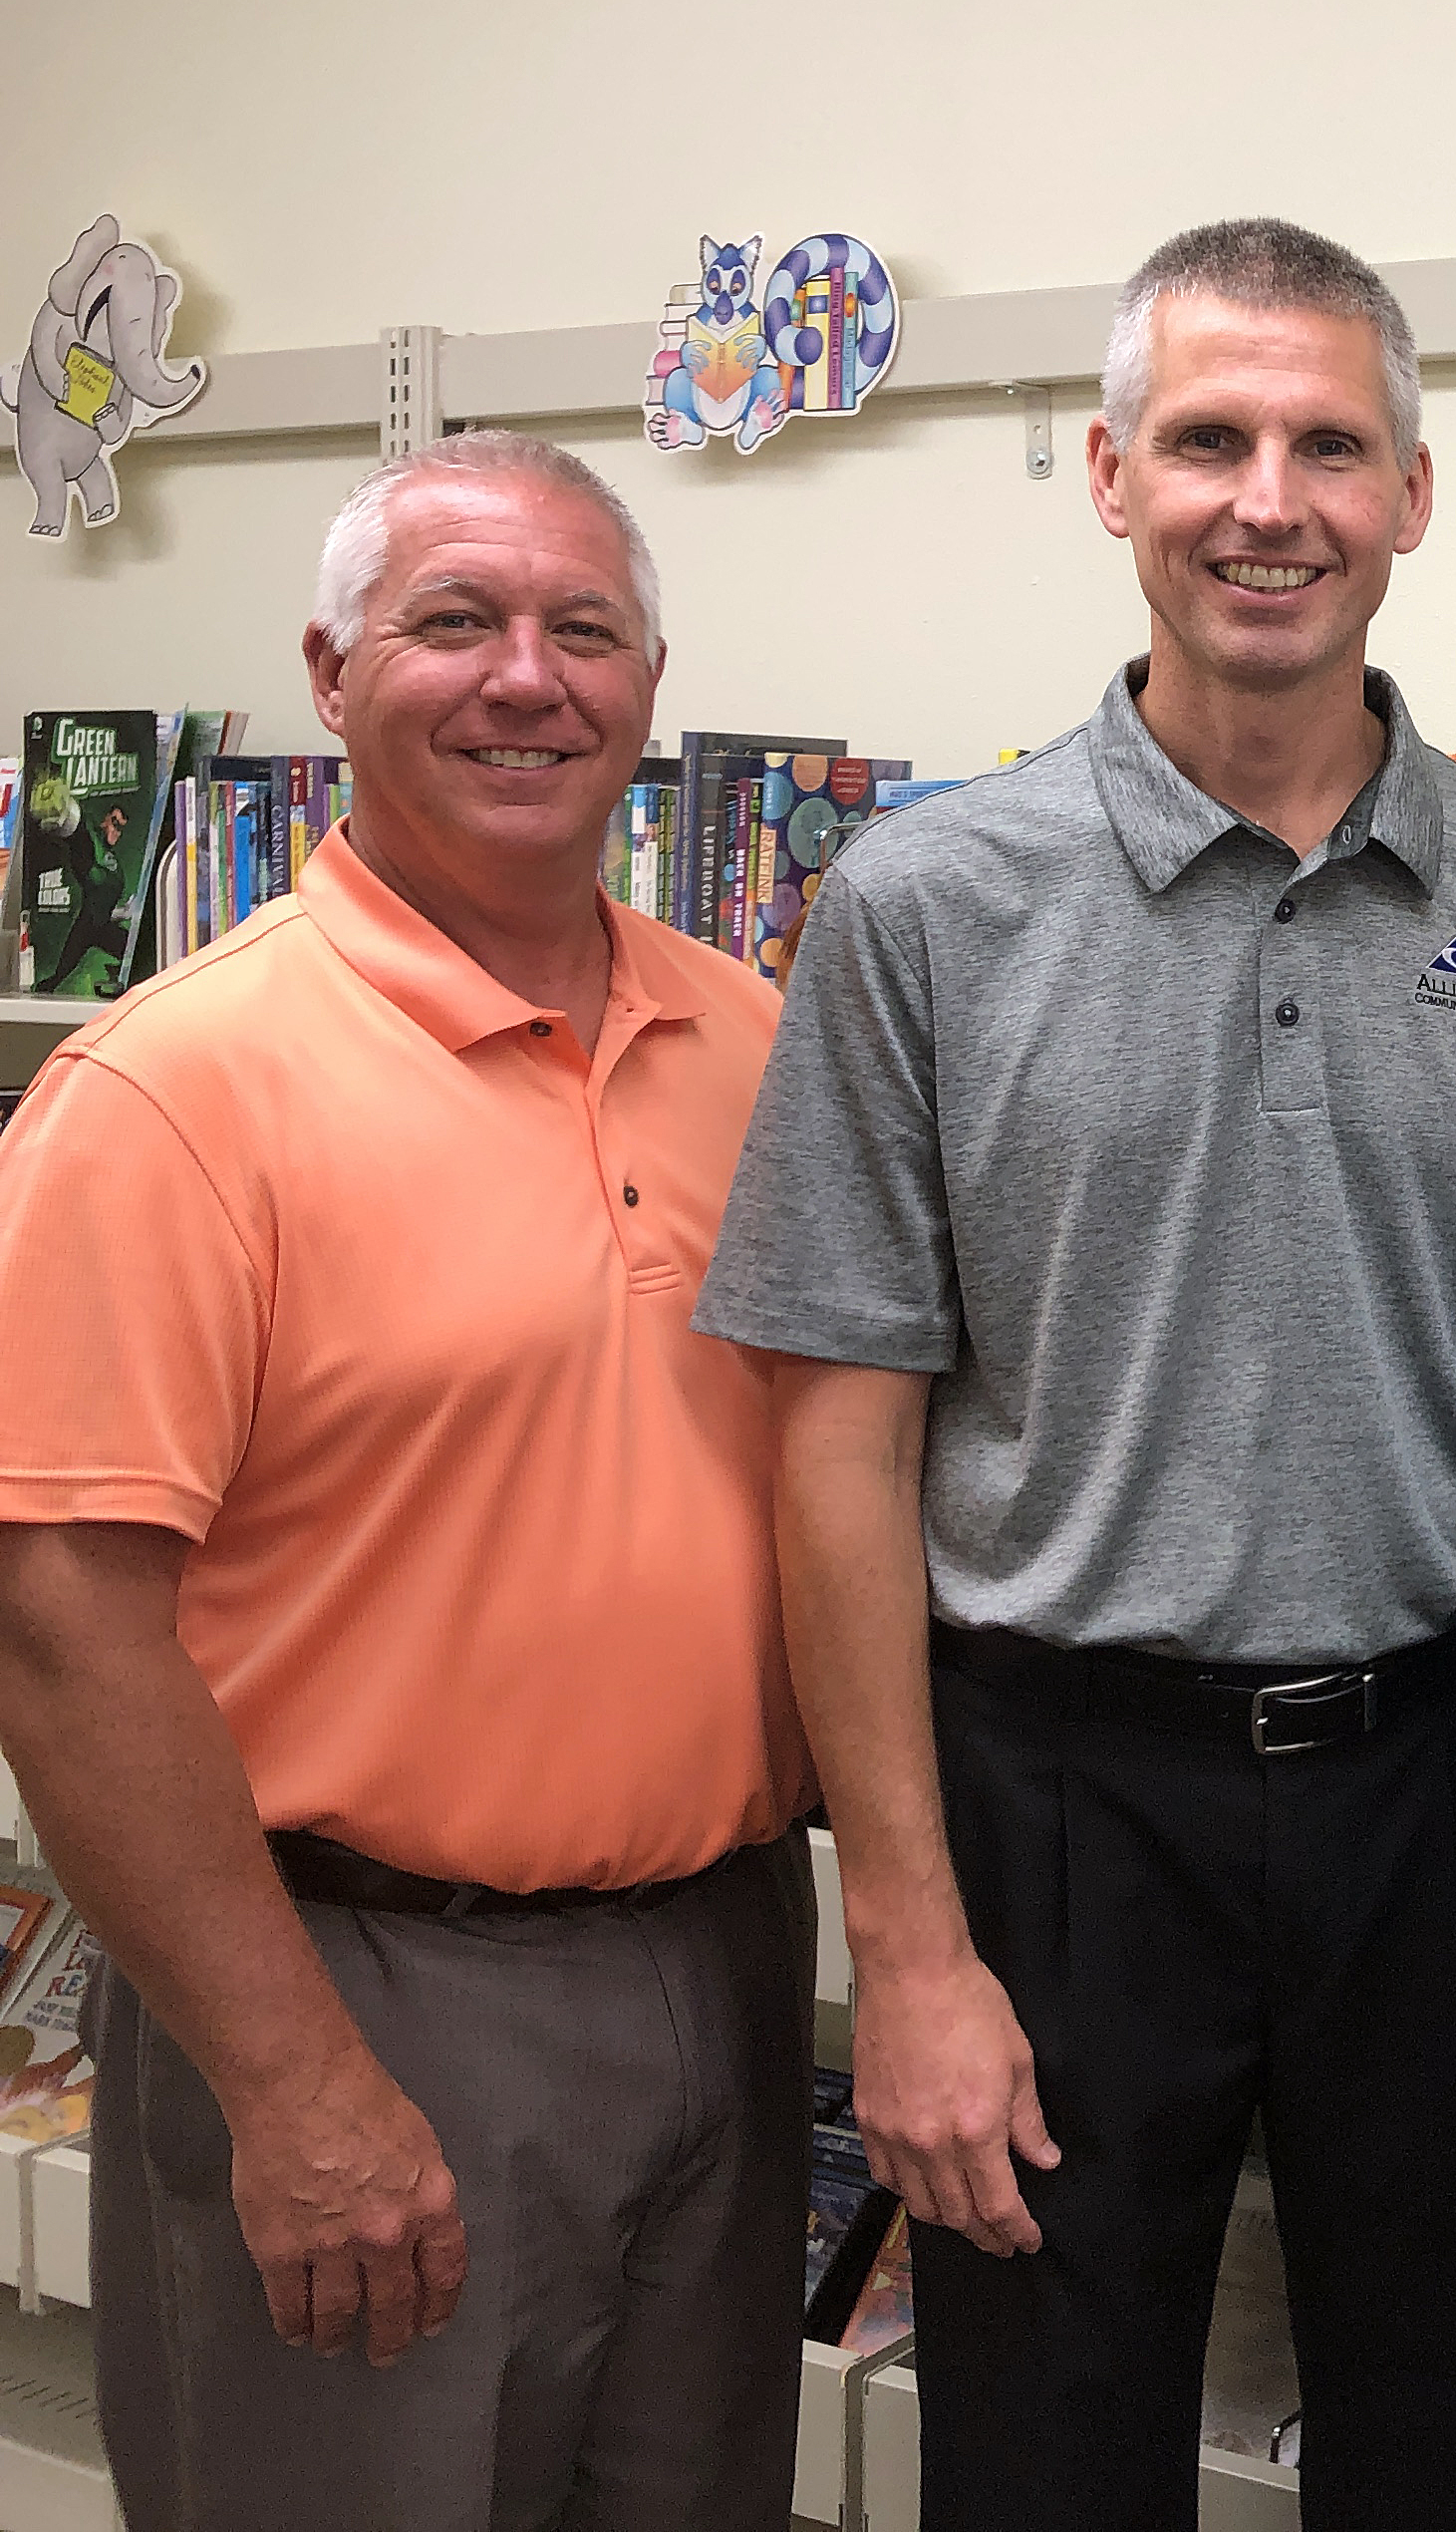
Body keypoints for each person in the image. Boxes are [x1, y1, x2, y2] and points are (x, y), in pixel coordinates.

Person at [694, 218, 1456, 2530]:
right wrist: (912, 1952)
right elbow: (837, 1453)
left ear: (1415, 496)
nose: (1272, 499)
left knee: (1453, 2440)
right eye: (1212, 440)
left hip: (1438, 1793)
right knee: (1049, 2460)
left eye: (1331, 445)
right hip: (1057, 1805)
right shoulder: (925, 906)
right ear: (1108, 474)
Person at [0, 431, 816, 2531]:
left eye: (585, 630)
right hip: (360, 1994)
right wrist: (290, 2083)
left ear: (651, 687)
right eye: (455, 622)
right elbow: (62, 1629)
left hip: (722, 1968)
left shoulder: (759, 1046)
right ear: (334, 672)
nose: (526, 678)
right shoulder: (171, 1095)